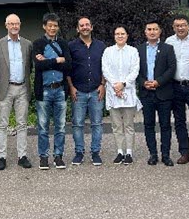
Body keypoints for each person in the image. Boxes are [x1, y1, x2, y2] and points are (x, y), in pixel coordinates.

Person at [0, 13, 33, 170]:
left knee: (22, 124)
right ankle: (1, 157)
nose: (14, 27)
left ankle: (22, 156)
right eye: (11, 24)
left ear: (20, 25)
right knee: (2, 124)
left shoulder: (27, 44)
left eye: (16, 24)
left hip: (22, 87)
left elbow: (29, 66)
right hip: (6, 88)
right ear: (6, 25)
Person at [165, 14, 189, 166]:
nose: (180, 28)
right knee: (179, 121)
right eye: (177, 26)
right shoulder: (169, 41)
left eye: (183, 25)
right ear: (173, 27)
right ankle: (184, 152)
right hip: (175, 86)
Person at [33, 13, 72, 170]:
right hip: (44, 90)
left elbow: (68, 64)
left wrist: (47, 61)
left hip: (60, 90)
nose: (52, 28)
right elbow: (38, 66)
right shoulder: (38, 43)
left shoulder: (63, 43)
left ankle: (58, 156)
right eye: (50, 25)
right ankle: (43, 157)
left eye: (55, 25)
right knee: (43, 126)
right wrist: (57, 60)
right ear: (44, 26)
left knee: (60, 126)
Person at [66, 16, 106, 166]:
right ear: (77, 29)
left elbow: (105, 67)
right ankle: (79, 152)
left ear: (91, 27)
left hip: (96, 90)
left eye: (87, 24)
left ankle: (95, 152)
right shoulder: (71, 46)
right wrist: (71, 87)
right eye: (81, 25)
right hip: (79, 90)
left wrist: (103, 84)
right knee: (77, 124)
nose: (84, 27)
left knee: (97, 123)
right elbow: (68, 69)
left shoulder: (101, 46)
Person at [136, 19, 177, 166]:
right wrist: (143, 83)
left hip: (163, 92)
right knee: (148, 125)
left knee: (165, 125)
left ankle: (165, 155)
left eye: (155, 29)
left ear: (160, 31)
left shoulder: (168, 48)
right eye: (149, 29)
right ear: (145, 32)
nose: (152, 32)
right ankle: (153, 154)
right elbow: (135, 70)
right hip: (146, 93)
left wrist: (158, 82)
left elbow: (172, 69)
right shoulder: (138, 49)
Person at [102, 25, 141, 165]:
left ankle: (129, 152)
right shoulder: (108, 51)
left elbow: (135, 70)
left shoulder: (133, 51)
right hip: (113, 93)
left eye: (122, 34)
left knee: (129, 125)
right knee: (117, 125)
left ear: (127, 36)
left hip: (128, 92)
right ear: (114, 36)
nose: (120, 36)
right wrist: (115, 85)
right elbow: (105, 69)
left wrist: (123, 84)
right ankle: (119, 151)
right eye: (117, 34)